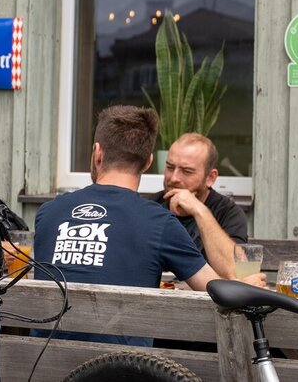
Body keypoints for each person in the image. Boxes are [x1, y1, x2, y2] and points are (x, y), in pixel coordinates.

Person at [33, 105, 255, 346]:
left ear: (98, 153)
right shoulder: (159, 221)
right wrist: (246, 289)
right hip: (123, 369)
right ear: (149, 162)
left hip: (44, 367)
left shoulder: (48, 213)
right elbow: (217, 292)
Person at [151, 133, 248, 279]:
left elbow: (236, 273)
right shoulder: (150, 206)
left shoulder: (228, 212)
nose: (174, 178)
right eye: (170, 167)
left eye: (186, 171)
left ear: (210, 178)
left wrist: (199, 211)